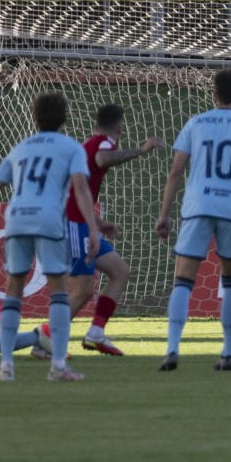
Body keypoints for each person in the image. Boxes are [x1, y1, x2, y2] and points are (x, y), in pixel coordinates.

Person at [0, 92, 101, 382]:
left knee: (13, 291)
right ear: (65, 117)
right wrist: (93, 227)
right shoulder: (71, 148)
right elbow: (80, 188)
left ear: (35, 117)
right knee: (59, 291)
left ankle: (6, 366)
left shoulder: (21, 147)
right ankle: (58, 366)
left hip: (17, 218)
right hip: (48, 219)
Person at [154, 69, 231, 372]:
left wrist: (164, 214)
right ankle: (228, 353)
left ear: (214, 94)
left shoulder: (197, 123)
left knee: (183, 279)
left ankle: (172, 349)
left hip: (197, 206)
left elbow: (176, 171)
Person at [59, 104, 166, 357]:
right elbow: (103, 159)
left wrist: (98, 222)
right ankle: (47, 338)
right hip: (74, 225)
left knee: (119, 271)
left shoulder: (88, 143)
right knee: (82, 291)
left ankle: (96, 333)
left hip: (83, 223)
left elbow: (74, 193)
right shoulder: (104, 142)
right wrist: (141, 150)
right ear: (119, 128)